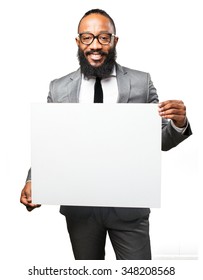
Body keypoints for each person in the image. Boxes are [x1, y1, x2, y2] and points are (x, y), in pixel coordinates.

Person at [20, 9, 192, 260]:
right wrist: (34, 179)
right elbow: (52, 143)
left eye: (103, 37)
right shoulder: (58, 88)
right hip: (79, 206)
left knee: (139, 275)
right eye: (87, 38)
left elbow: (159, 141)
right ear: (78, 42)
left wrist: (179, 122)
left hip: (129, 205)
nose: (95, 45)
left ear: (114, 41)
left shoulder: (141, 82)